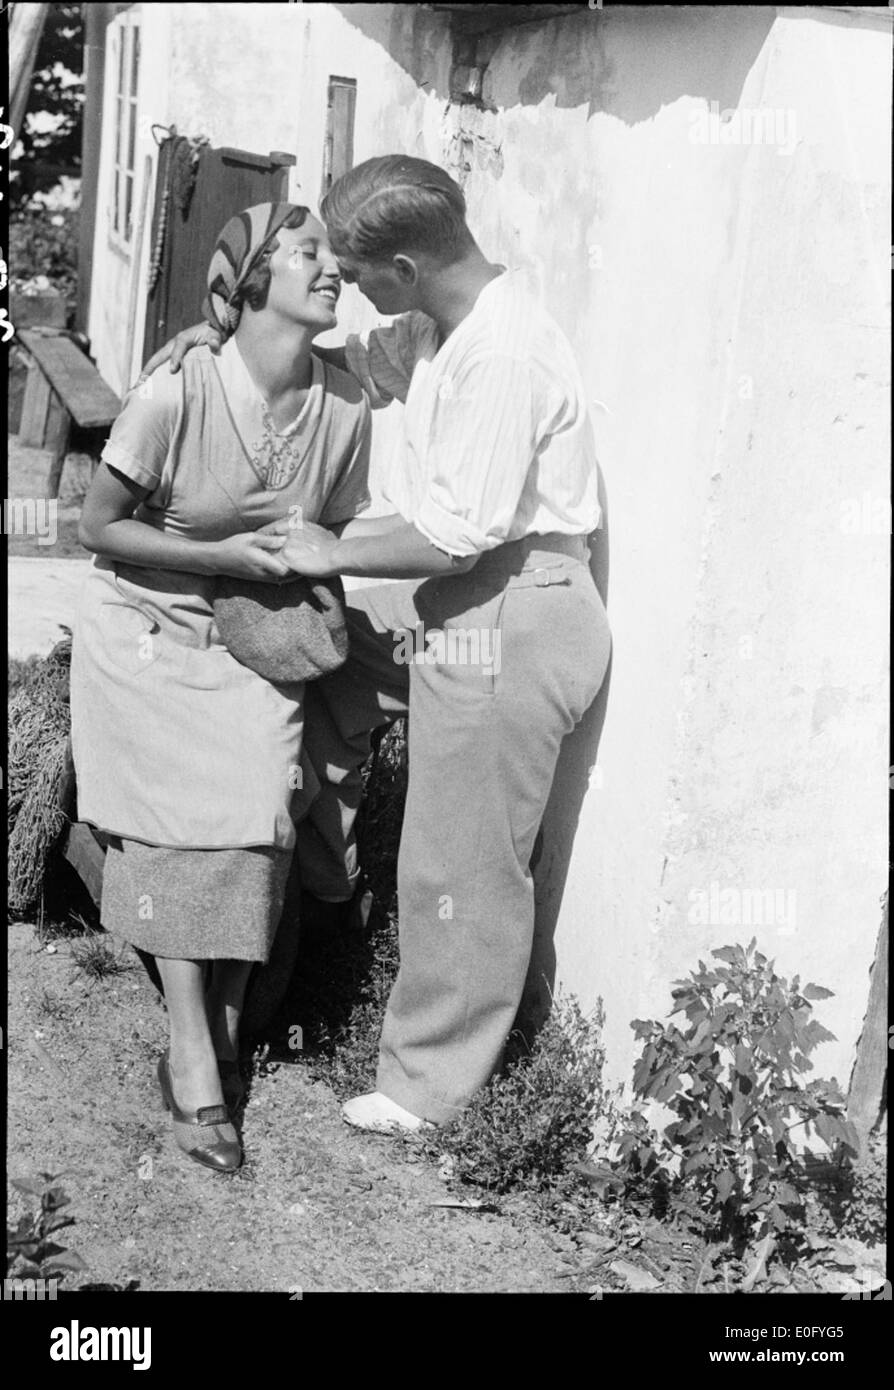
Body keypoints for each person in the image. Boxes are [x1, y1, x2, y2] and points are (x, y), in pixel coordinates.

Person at [143, 156, 612, 1133]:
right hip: (466, 604)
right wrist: (232, 333)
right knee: (315, 669)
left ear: (402, 265)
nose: (349, 287)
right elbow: (363, 360)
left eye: (356, 273)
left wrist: (326, 543)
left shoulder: (506, 354)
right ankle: (299, 913)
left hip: (512, 612)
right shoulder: (443, 321)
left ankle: (424, 1090)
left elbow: (453, 533)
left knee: (462, 861)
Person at [71, 202, 371, 1170]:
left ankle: (222, 1022)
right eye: (305, 251)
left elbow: (343, 531)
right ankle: (196, 1046)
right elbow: (97, 525)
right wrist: (223, 549)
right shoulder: (177, 390)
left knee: (252, 814)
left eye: (332, 253)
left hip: (254, 642)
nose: (331, 267)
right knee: (167, 826)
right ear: (249, 283)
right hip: (148, 628)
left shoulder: (346, 406)